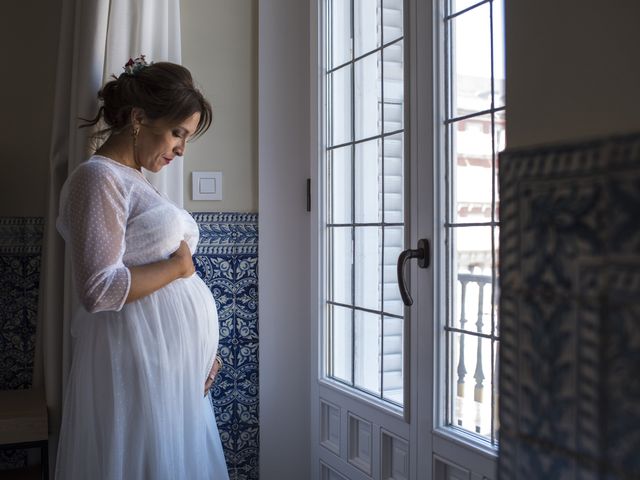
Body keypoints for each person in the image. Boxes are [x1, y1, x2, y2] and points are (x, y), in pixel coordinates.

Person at [55, 56, 230, 479]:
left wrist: (199, 350)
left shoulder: (136, 180)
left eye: (186, 137)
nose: (181, 149)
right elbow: (99, 289)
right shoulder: (98, 177)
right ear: (138, 118)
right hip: (133, 362)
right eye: (176, 133)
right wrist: (179, 269)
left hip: (163, 366)